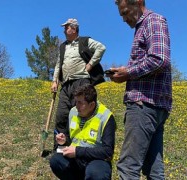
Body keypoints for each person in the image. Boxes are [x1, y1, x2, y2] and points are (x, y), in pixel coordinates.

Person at [108, 0, 172, 179]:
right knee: (154, 170)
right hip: (154, 106)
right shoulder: (144, 26)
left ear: (138, 2)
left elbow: (159, 59)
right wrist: (125, 71)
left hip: (144, 105)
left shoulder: (153, 21)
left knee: (128, 167)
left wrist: (128, 73)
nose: (124, 18)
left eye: (125, 12)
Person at [51, 18, 106, 150]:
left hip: (82, 82)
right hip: (66, 85)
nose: (64, 30)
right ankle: (60, 147)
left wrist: (90, 65)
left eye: (66, 27)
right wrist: (54, 80)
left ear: (74, 29)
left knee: (81, 113)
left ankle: (81, 147)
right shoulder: (63, 46)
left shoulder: (84, 41)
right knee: (61, 115)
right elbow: (59, 64)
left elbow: (101, 48)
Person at [49, 84, 116, 180]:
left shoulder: (106, 117)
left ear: (92, 105)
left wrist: (78, 151)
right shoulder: (73, 112)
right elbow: (70, 137)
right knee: (56, 160)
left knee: (96, 174)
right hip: (76, 159)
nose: (76, 106)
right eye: (76, 102)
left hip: (96, 160)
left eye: (80, 103)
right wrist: (64, 140)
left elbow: (108, 152)